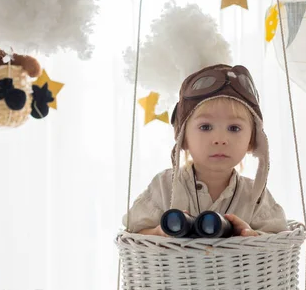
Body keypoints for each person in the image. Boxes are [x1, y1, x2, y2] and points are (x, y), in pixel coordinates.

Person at [122, 64, 287, 236]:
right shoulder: (164, 186)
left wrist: (251, 235)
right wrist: (159, 232)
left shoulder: (255, 195)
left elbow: (278, 240)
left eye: (234, 128)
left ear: (252, 141)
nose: (220, 139)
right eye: (206, 127)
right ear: (183, 138)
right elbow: (134, 231)